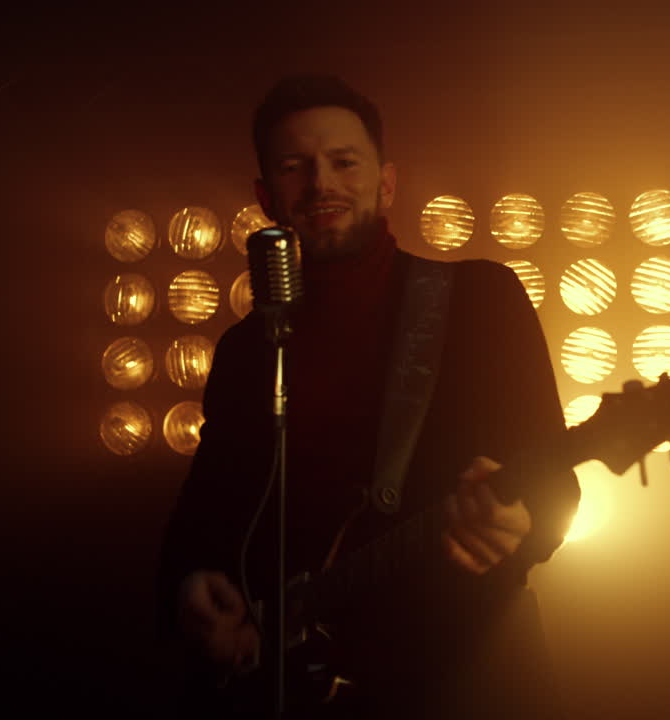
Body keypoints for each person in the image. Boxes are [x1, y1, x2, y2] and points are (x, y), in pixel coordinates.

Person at [157, 74, 580, 719]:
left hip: (457, 670)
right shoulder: (247, 349)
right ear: (266, 198)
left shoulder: (480, 300)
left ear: (386, 184)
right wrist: (193, 587)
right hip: (284, 689)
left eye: (344, 162)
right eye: (295, 167)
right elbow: (203, 518)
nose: (321, 183)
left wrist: (525, 521)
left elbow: (553, 481)